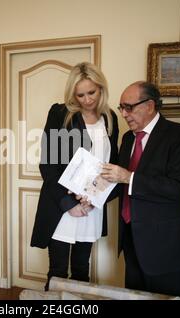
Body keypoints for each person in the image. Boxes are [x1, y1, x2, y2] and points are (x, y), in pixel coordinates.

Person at [101, 81, 180, 297]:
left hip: (164, 245)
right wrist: (93, 197)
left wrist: (129, 176)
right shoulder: (127, 139)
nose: (124, 114)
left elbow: (179, 188)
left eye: (129, 107)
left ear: (150, 105)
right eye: (121, 108)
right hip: (131, 239)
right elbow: (120, 184)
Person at [30, 62, 119, 290]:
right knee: (58, 272)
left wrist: (95, 200)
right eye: (80, 95)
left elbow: (113, 166)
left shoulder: (110, 118)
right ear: (73, 94)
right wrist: (69, 203)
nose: (87, 99)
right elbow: (48, 166)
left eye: (92, 92)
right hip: (63, 206)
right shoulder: (60, 114)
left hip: (92, 206)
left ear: (101, 88)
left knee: (81, 271)